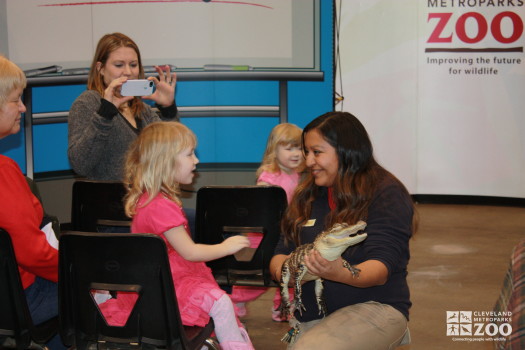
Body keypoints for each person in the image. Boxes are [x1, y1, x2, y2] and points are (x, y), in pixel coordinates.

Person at [98, 121, 255, 350]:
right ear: (166, 163)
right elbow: (190, 251)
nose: (196, 161)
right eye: (190, 154)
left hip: (165, 278)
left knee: (213, 306)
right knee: (220, 303)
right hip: (166, 286)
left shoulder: (151, 199)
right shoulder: (160, 206)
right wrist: (227, 246)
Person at [270, 111, 414, 349]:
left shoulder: (386, 193)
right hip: (312, 316)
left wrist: (338, 272)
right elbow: (281, 250)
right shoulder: (307, 193)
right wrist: (287, 274)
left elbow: (381, 268)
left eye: (317, 152)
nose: (308, 161)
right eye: (307, 152)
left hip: (374, 306)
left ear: (347, 151)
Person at [0, 55, 64, 350]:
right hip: (19, 301)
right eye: (16, 100)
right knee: (99, 286)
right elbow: (32, 255)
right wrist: (77, 269)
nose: (23, 107)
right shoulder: (4, 172)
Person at [68, 32, 178, 181]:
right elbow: (80, 164)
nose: (128, 72)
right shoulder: (87, 103)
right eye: (119, 65)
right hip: (108, 201)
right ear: (100, 68)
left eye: (133, 65)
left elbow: (174, 154)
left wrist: (168, 109)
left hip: (145, 200)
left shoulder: (143, 110)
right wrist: (105, 113)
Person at [231, 123, 303, 321]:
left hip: (286, 235)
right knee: (257, 280)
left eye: (299, 148)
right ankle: (234, 300)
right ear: (274, 150)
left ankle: (282, 308)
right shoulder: (268, 178)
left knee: (288, 271)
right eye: (289, 148)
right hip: (264, 238)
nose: (296, 153)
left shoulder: (296, 175)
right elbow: (259, 209)